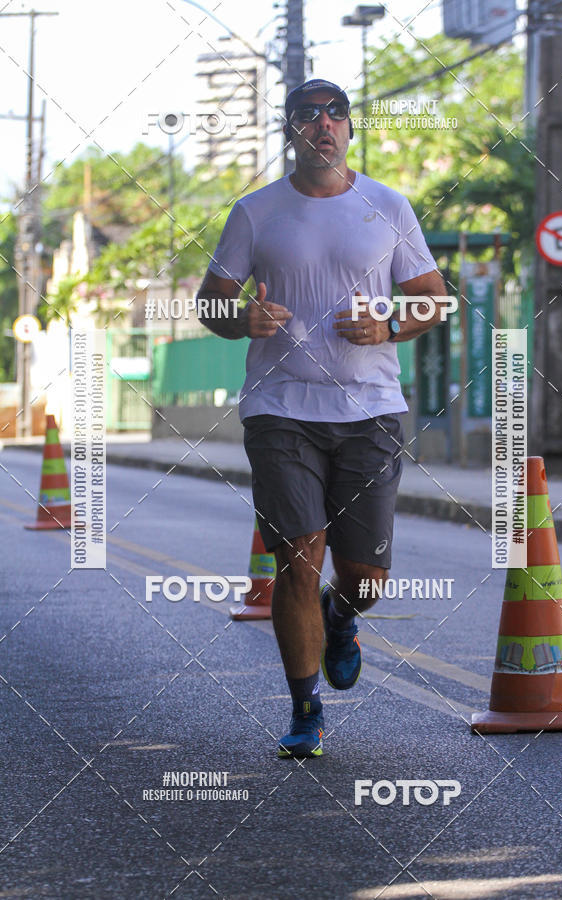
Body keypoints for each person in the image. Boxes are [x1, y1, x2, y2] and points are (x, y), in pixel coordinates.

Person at [196, 78, 447, 759]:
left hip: (370, 412)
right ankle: (305, 710)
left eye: (335, 114)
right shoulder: (255, 213)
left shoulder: (387, 206)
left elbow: (433, 299)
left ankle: (343, 618)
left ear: (349, 131)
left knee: (364, 578)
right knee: (297, 561)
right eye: (308, 116)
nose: (323, 126)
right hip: (280, 410)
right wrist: (238, 318)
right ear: (291, 131)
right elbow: (210, 301)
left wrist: (389, 324)